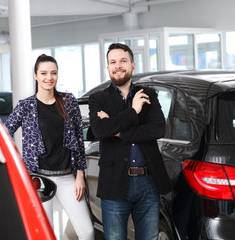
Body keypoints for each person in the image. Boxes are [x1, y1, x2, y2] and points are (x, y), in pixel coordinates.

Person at [4, 54, 94, 240]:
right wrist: (16, 164)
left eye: (53, 73)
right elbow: (4, 132)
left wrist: (79, 175)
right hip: (39, 179)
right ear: (36, 76)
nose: (49, 77)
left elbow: (78, 139)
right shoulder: (26, 106)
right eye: (43, 73)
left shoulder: (69, 102)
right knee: (45, 235)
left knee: (87, 232)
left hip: (68, 178)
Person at [88, 43, 172, 240]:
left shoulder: (147, 95)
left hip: (148, 182)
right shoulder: (98, 99)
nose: (118, 66)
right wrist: (133, 111)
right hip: (114, 183)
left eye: (123, 61)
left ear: (132, 65)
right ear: (108, 68)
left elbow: (158, 129)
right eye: (113, 62)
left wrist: (119, 132)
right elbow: (100, 130)